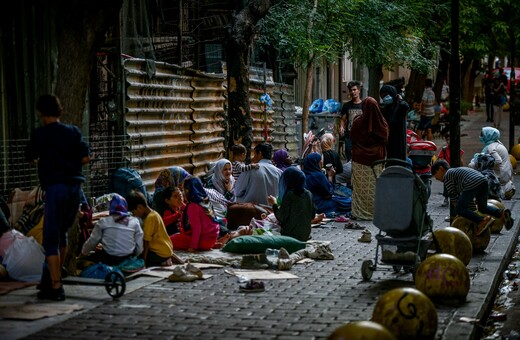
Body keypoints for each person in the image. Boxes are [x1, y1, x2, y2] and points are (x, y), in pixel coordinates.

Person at [25, 94, 90, 301]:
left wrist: (46, 161)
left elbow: (31, 157)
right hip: (75, 189)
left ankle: (55, 286)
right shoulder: (73, 132)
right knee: (62, 234)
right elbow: (86, 158)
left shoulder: (40, 134)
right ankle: (55, 275)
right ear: (59, 110)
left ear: (41, 113)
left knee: (51, 237)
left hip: (55, 189)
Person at [431, 159, 513, 234]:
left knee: (459, 208)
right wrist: (471, 212)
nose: (436, 178)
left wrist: (459, 212)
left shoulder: (447, 176)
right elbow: (467, 199)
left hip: (472, 182)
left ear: (441, 169)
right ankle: (501, 213)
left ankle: (482, 221)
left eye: (435, 175)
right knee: (482, 207)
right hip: (483, 181)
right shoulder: (456, 173)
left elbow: (453, 197)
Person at [350, 96, 389, 220]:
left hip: (360, 160)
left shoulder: (357, 122)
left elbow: (352, 137)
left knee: (361, 189)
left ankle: (360, 212)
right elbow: (386, 139)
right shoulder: (382, 123)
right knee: (375, 187)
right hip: (377, 160)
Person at [80, 194, 144, 266]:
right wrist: (134, 256)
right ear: (125, 207)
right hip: (127, 259)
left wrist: (82, 253)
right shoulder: (134, 221)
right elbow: (139, 248)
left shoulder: (103, 222)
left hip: (108, 260)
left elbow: (92, 242)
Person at [127, 190, 175, 268]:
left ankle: (163, 261)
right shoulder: (154, 213)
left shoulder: (150, 218)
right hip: (166, 251)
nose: (134, 215)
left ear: (140, 207)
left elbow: (146, 243)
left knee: (136, 257)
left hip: (159, 254)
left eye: (134, 212)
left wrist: (144, 262)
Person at [170, 177, 220, 251]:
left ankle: (200, 245)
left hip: (204, 241)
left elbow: (197, 228)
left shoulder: (193, 206)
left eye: (183, 190)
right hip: (211, 239)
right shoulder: (205, 201)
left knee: (170, 240)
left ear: (188, 191)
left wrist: (193, 247)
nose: (183, 194)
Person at [266, 167, 315, 242]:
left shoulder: (290, 195)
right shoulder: (309, 194)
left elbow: (281, 217)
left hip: (290, 236)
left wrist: (274, 204)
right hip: (305, 235)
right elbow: (312, 216)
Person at [469, 127, 516, 200]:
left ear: (488, 135)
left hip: (500, 176)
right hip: (505, 176)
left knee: (472, 166)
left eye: (482, 135)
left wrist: (482, 163)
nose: (480, 136)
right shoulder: (498, 144)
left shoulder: (491, 147)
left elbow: (498, 161)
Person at [302, 152, 351, 217]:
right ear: (316, 163)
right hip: (320, 204)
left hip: (308, 204)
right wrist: (330, 177)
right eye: (320, 162)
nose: (322, 163)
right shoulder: (318, 176)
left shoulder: (303, 174)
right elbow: (328, 195)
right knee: (349, 202)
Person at [379, 84, 409, 164]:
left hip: (398, 140)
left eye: (386, 95)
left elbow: (406, 106)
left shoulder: (400, 106)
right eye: (382, 96)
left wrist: (400, 99)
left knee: (399, 163)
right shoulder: (386, 108)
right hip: (389, 140)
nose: (384, 98)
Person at [437, 132, 465, 207]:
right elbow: (440, 159)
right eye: (448, 140)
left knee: (457, 185)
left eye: (451, 139)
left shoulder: (457, 149)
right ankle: (446, 198)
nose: (449, 141)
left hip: (456, 170)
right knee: (446, 185)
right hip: (447, 170)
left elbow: (461, 161)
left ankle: (456, 199)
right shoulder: (444, 150)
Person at [339, 81, 363, 161]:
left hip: (361, 135)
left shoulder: (364, 105)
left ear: (359, 90)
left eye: (354, 89)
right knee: (349, 154)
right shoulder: (346, 105)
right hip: (349, 135)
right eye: (351, 90)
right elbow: (343, 119)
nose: (353, 92)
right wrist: (341, 127)